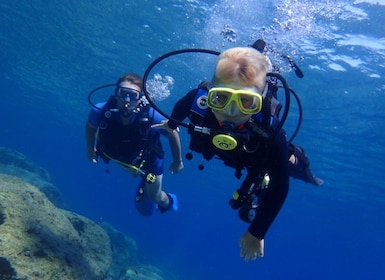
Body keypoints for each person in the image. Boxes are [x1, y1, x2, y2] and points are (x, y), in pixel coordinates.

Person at [154, 46, 321, 261]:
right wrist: (171, 125)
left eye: (245, 101)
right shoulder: (198, 99)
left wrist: (257, 232)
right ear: (210, 93)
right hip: (233, 151)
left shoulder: (269, 130)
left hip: (256, 155)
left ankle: (303, 168)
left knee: (288, 164)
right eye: (221, 98)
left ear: (260, 100)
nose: (231, 112)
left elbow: (281, 186)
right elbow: (182, 106)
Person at [85, 73, 184, 215]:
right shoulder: (100, 111)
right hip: (121, 156)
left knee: (155, 198)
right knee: (133, 171)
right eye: (123, 93)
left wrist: (177, 161)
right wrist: (90, 149)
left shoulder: (152, 116)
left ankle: (169, 200)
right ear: (116, 93)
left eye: (133, 95)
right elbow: (90, 127)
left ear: (141, 98)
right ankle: (138, 175)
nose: (127, 100)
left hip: (148, 162)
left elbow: (172, 132)